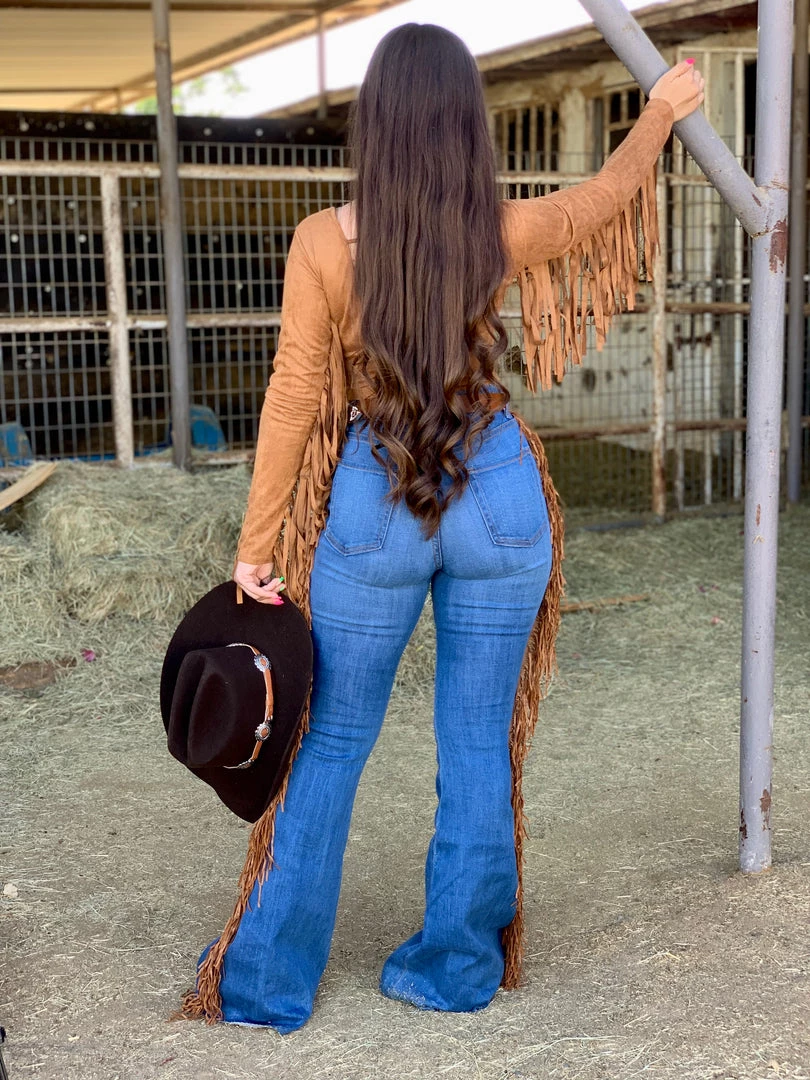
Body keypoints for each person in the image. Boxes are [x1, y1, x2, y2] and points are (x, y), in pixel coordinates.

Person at [179, 24, 704, 1032]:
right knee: (476, 743)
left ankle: (264, 984)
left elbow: (294, 395)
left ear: (372, 125)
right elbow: (603, 202)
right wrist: (658, 116)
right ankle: (456, 967)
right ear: (466, 124)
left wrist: (256, 545)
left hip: (373, 502)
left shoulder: (323, 243)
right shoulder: (499, 230)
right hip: (497, 489)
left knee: (327, 743)